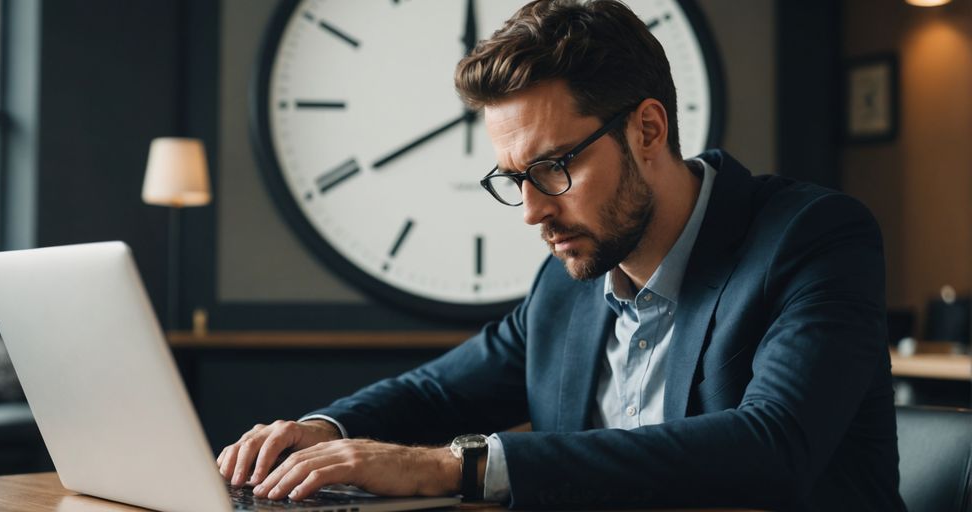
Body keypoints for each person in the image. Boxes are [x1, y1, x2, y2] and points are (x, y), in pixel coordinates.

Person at [217, 1, 905, 509]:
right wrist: (318, 431)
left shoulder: (811, 238)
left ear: (647, 129)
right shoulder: (568, 282)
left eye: (552, 168)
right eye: (514, 179)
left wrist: (454, 466)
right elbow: (438, 391)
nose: (532, 211)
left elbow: (773, 447)